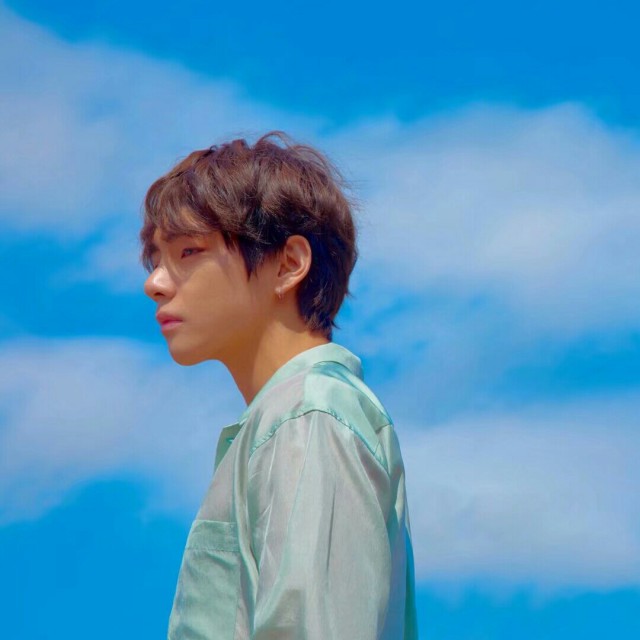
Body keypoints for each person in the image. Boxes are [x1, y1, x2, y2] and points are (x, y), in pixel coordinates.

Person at [140, 132, 418, 639]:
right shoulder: (287, 420)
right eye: (155, 259)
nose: (154, 283)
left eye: (189, 250)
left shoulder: (309, 416)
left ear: (288, 264)